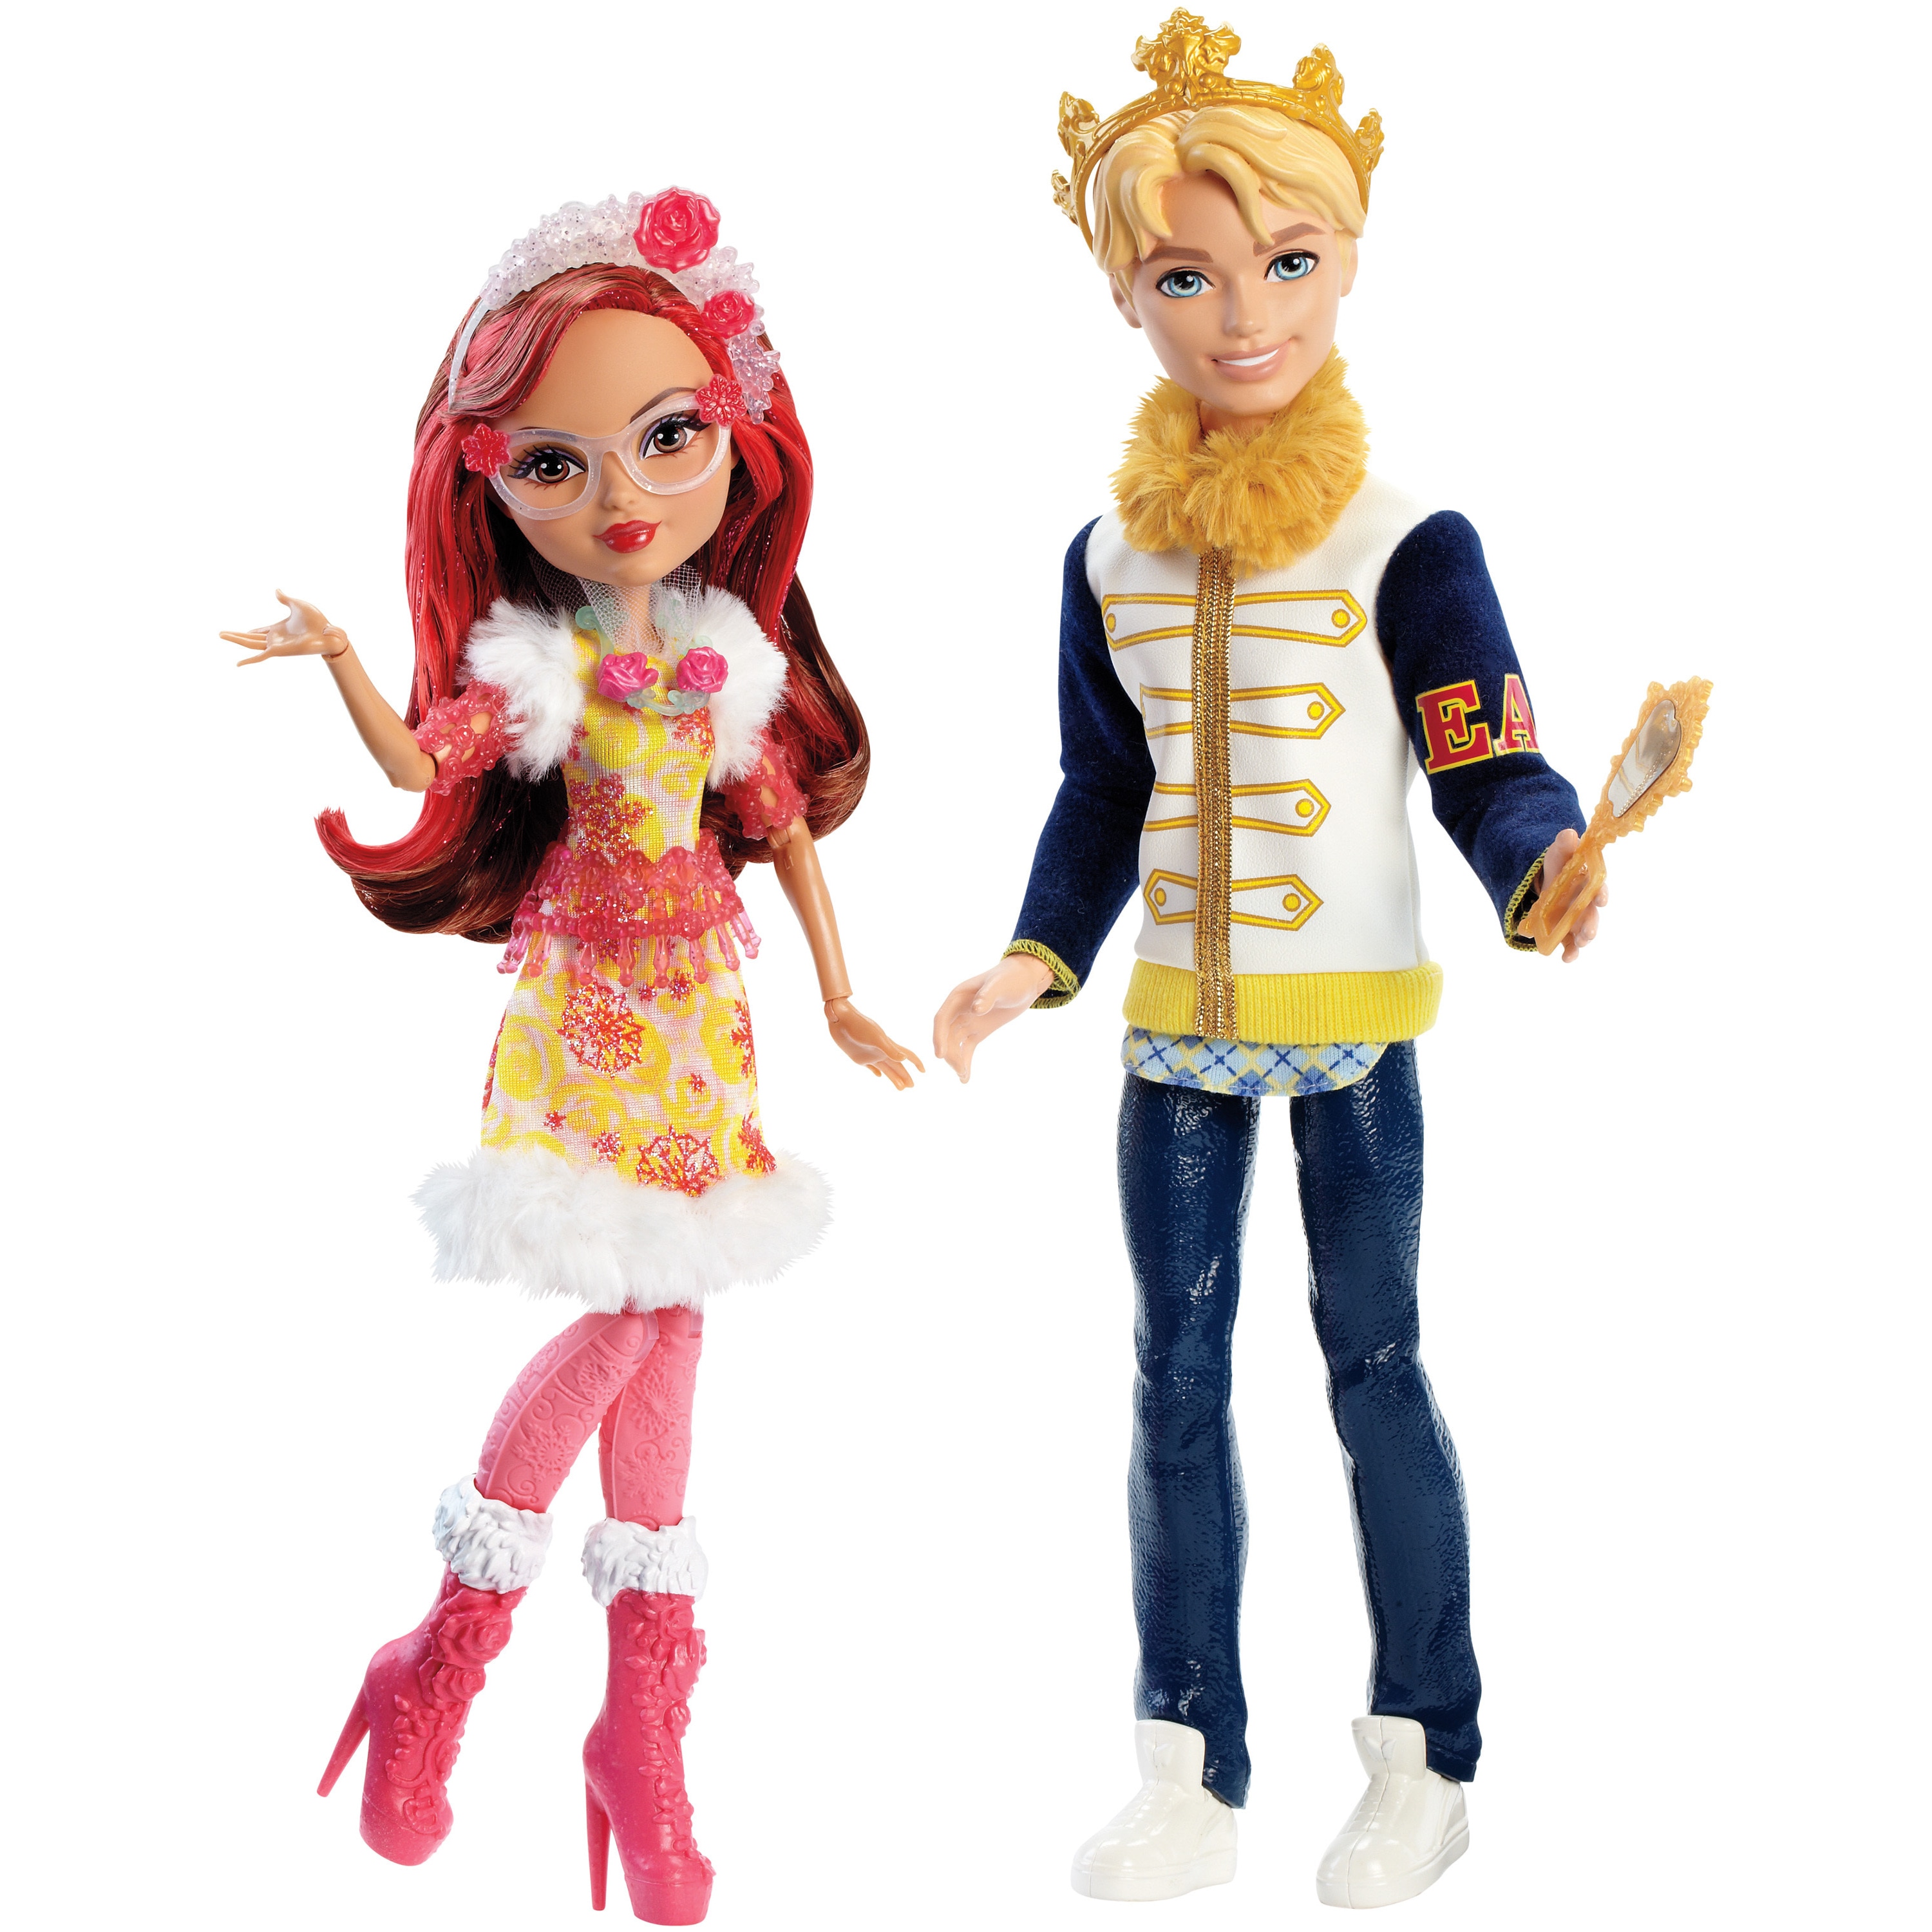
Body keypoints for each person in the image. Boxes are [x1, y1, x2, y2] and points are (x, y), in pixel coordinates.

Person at [933, 18, 1604, 1911]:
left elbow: (1488, 755)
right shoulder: (1104, 559)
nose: (1245, 318)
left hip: (1355, 1040)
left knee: (1376, 1365)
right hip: (1174, 1047)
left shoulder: (1407, 540)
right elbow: (1102, 792)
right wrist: (1031, 958)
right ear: (1123, 294)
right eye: (1187, 278)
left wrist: (1540, 862)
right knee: (1172, 1377)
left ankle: (1427, 1752)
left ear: (1350, 262)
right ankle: (1187, 1764)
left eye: (1287, 264)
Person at [222, 187, 920, 1926]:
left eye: (668, 439)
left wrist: (840, 995)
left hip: (702, 1006)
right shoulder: (544, 661)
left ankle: (604, 1716)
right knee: (638, 1312)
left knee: (673, 1313)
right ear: (491, 481)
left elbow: (779, 821)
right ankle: (487, 1671)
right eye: (556, 463)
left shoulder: (723, 654)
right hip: (590, 1004)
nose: (623, 498)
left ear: (736, 442)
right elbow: (425, 755)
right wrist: (338, 663)